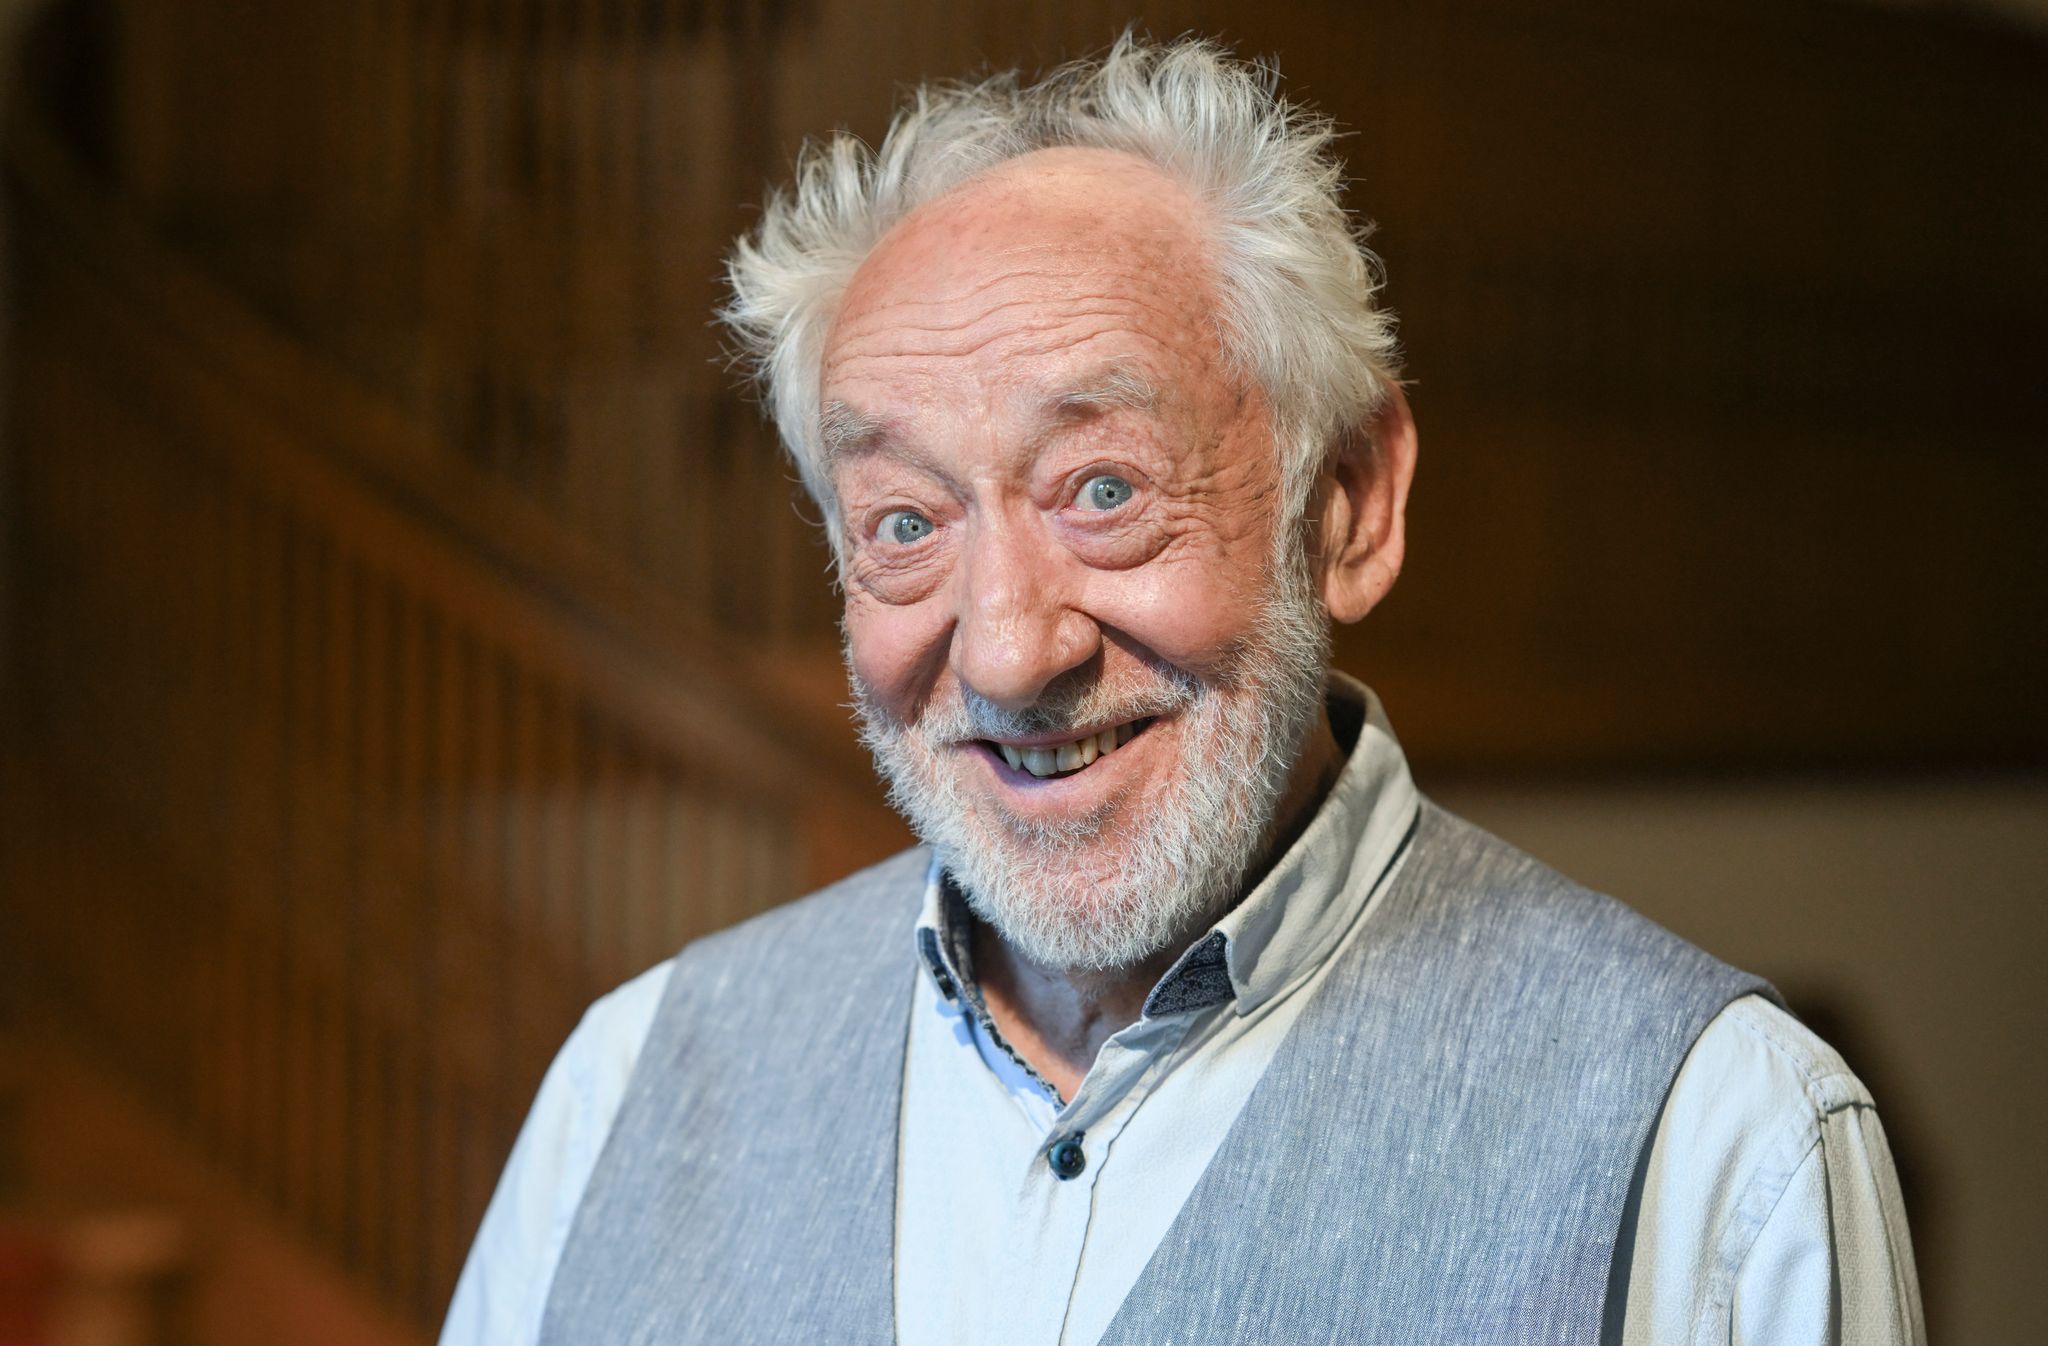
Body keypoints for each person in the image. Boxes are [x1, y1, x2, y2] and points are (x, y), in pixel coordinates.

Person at [442, 35, 1923, 1346]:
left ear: (1346, 504)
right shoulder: (627, 1088)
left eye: (1102, 488)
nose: (1011, 650)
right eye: (905, 522)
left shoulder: (1720, 1147)